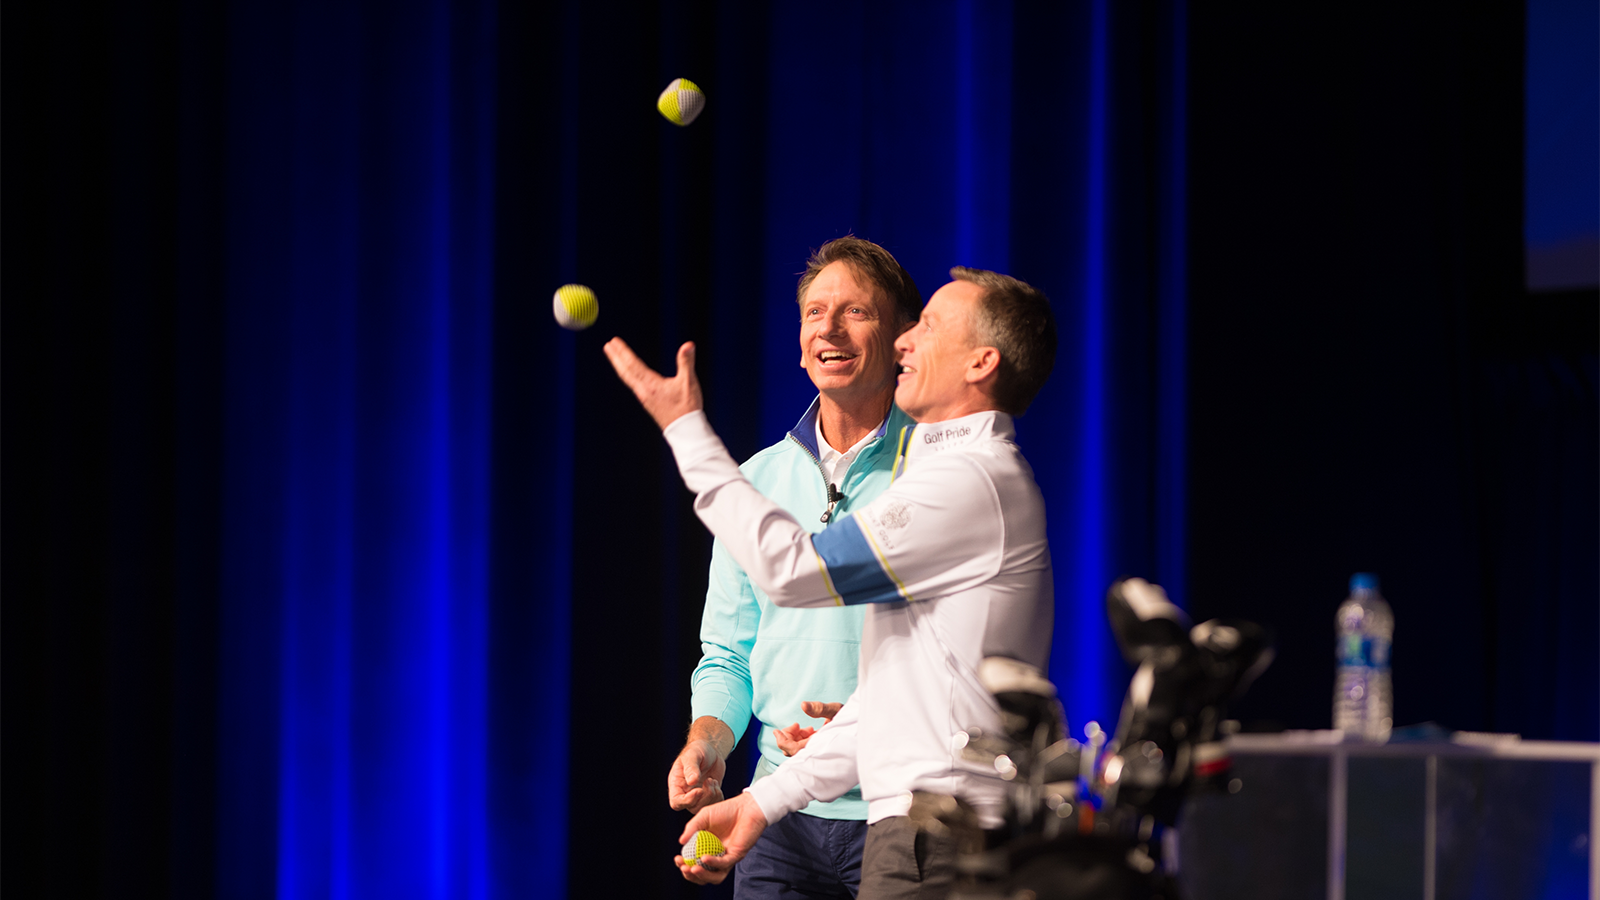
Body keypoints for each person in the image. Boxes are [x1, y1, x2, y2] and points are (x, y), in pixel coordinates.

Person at [606, 266, 1059, 899]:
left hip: (940, 829)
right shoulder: (953, 471)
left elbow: (796, 571)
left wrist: (685, 430)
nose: (906, 343)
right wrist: (763, 803)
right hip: (909, 824)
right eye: (814, 312)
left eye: (925, 326)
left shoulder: (968, 480)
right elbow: (893, 698)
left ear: (981, 362)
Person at [666, 236, 923, 899]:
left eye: (855, 312)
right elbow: (729, 651)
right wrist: (709, 745)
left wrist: (871, 725)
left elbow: (956, 656)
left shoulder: (937, 474)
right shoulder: (756, 480)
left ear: (902, 338)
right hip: (778, 815)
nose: (829, 329)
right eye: (815, 311)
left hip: (902, 815)